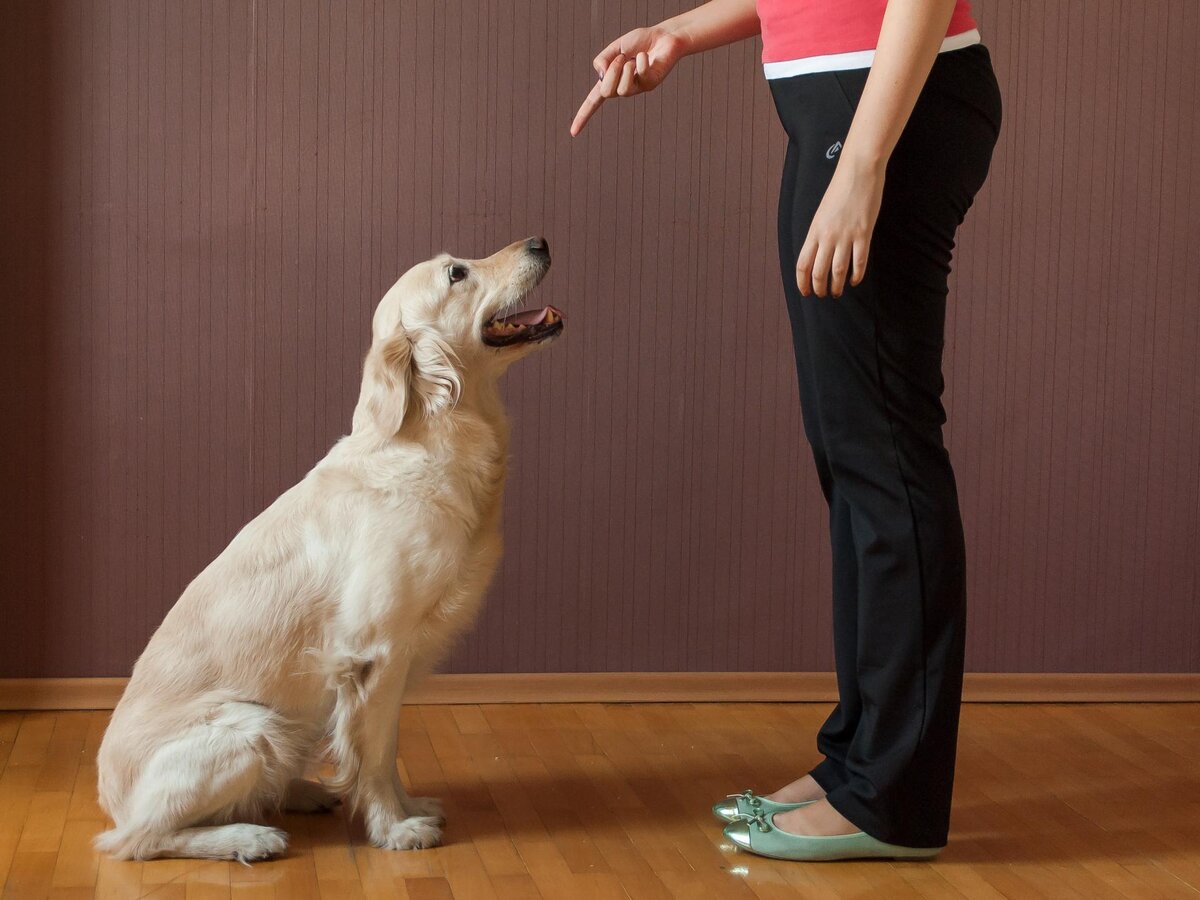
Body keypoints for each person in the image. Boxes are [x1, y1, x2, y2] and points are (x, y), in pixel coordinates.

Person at [571, 0, 1002, 862]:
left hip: (883, 110)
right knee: (850, 453)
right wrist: (684, 33)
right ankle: (860, 760)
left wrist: (864, 165)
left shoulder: (874, 141)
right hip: (841, 108)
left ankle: (892, 798)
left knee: (884, 453)